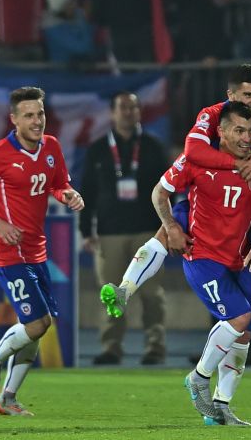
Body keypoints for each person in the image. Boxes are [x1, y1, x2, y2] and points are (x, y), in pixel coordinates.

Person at [101, 64, 251, 371]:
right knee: (169, 231)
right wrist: (237, 164)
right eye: (247, 95)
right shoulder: (212, 114)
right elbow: (193, 151)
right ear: (230, 95)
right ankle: (125, 290)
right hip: (208, 194)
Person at [156, 102, 251, 425]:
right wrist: (172, 226)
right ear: (221, 131)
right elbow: (160, 193)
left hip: (239, 257)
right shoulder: (197, 158)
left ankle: (222, 406)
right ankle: (199, 376)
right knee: (240, 317)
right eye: (239, 131)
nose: (247, 138)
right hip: (203, 256)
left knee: (243, 334)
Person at [0, 86, 84, 416]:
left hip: (36, 251)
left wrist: (68, 194)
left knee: (36, 326)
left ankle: (8, 398)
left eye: (39, 113)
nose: (36, 121)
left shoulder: (51, 147)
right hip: (6, 252)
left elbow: (56, 183)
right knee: (37, 323)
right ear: (13, 120)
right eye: (28, 115)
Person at [80, 91, 169, 366]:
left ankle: (155, 346)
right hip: (109, 233)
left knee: (152, 294)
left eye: (133, 107)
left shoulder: (154, 147)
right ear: (112, 113)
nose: (128, 112)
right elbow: (87, 192)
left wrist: (170, 229)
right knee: (110, 292)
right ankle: (111, 347)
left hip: (149, 233)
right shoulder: (98, 150)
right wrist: (86, 231)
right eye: (123, 108)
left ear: (139, 112)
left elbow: (169, 191)